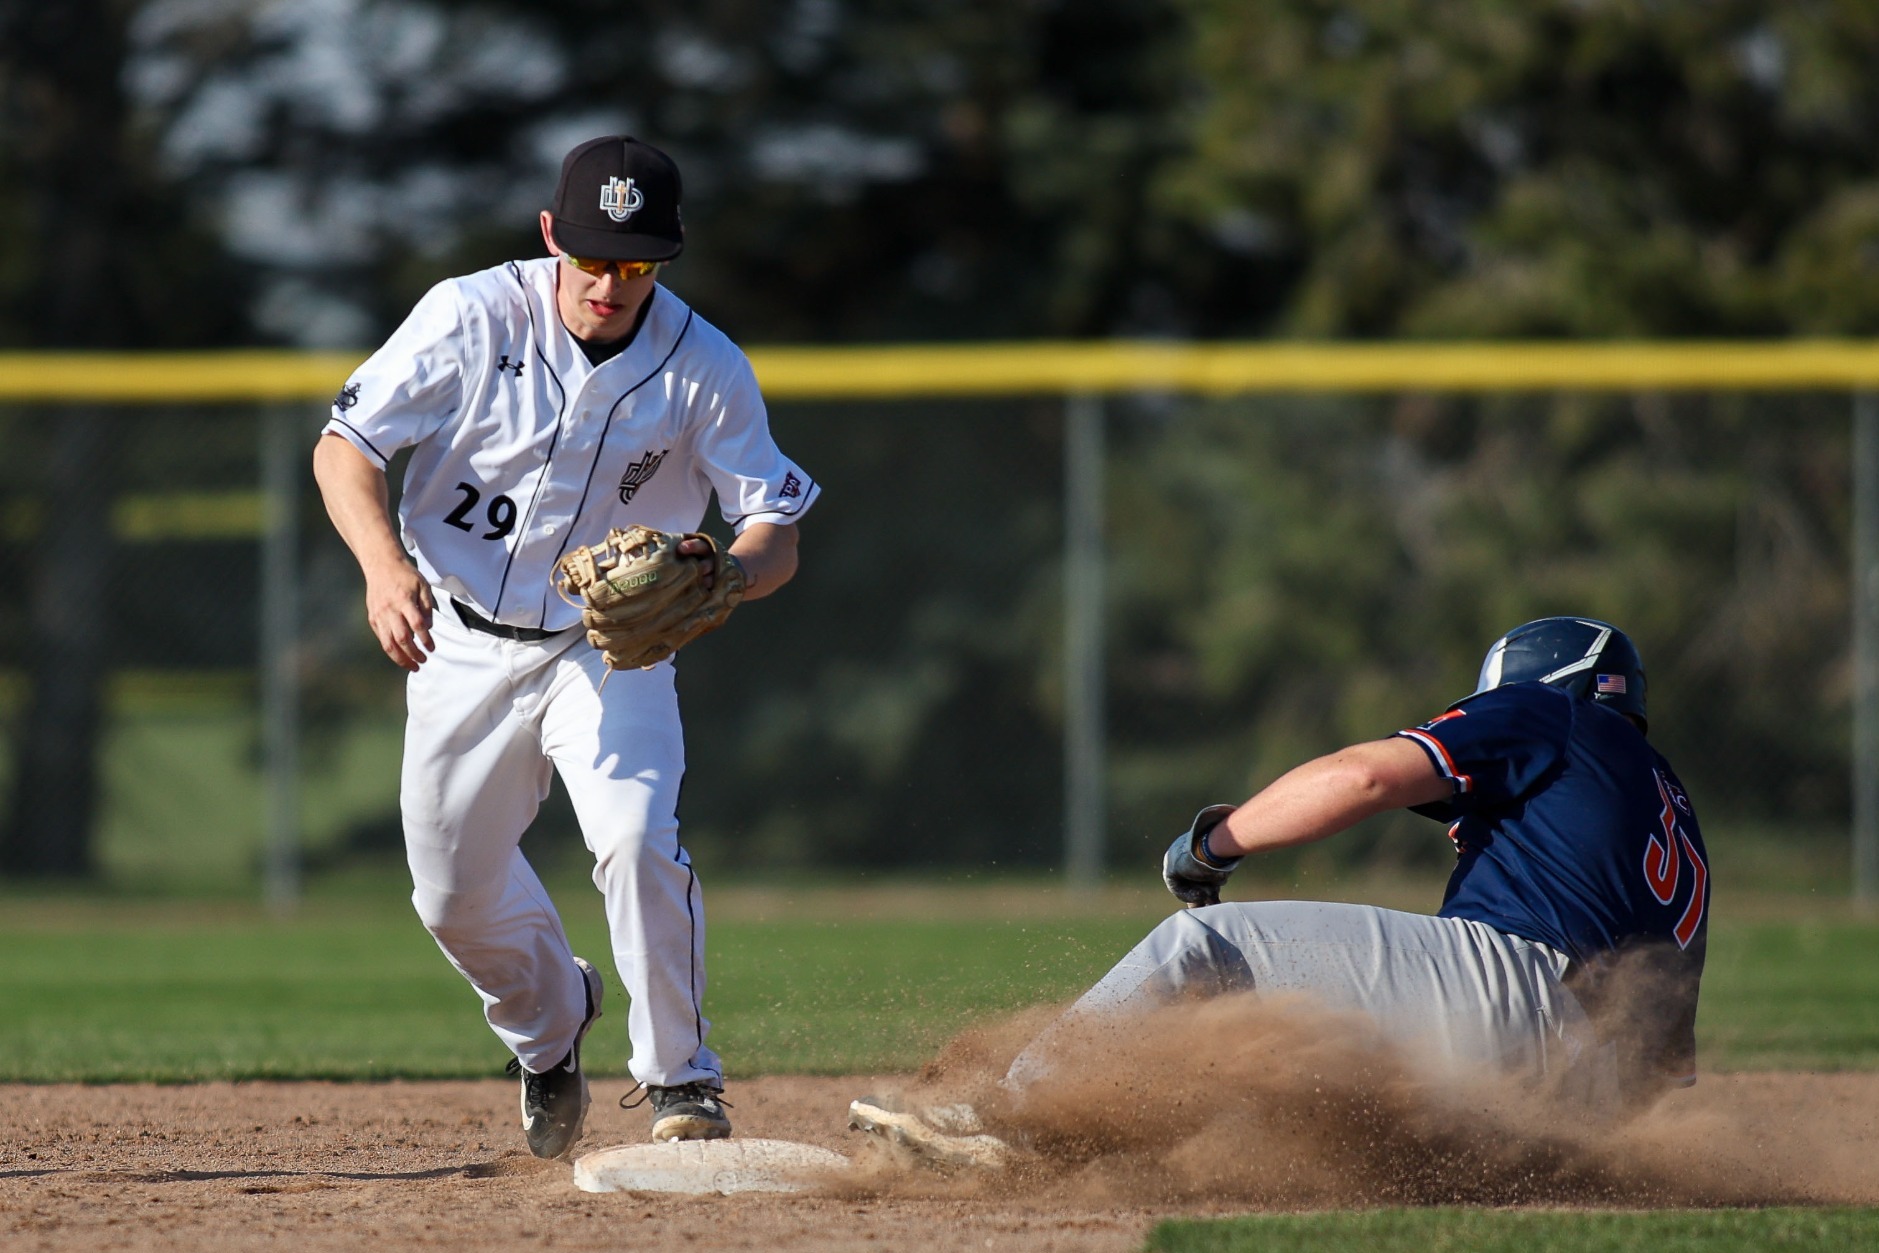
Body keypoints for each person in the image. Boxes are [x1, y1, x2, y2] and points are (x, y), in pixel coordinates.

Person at [313, 136, 817, 1159]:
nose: (608, 282)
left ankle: (682, 1076)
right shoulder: (470, 315)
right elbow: (344, 448)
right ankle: (551, 1029)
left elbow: (775, 527)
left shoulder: (705, 366)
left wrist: (728, 573)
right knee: (451, 899)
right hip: (459, 640)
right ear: (550, 235)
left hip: (608, 649)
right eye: (589, 256)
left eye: (634, 263)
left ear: (666, 256)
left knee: (635, 838)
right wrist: (382, 567)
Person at [849, 617, 1710, 1168]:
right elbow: (1665, 1059)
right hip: (1590, 1104)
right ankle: (1096, 1145)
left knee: (1204, 948)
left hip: (1514, 995)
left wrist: (1212, 845)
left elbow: (1366, 775)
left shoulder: (1551, 715)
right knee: (1291, 1061)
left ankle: (1002, 1121)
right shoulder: (1660, 802)